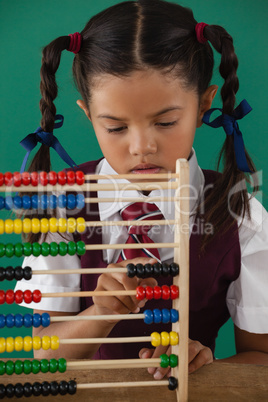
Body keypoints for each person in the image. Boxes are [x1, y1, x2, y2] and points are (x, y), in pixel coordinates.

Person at [15, 0, 268, 380]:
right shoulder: (63, 205)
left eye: (166, 122)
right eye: (115, 128)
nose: (141, 147)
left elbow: (260, 356)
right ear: (88, 115)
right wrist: (100, 313)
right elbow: (44, 352)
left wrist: (207, 366)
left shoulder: (239, 215)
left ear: (204, 105)